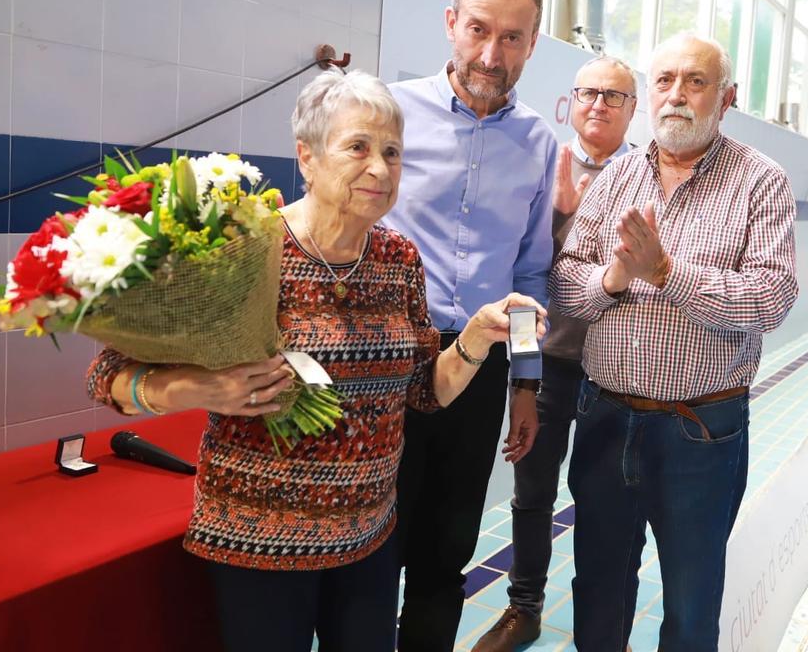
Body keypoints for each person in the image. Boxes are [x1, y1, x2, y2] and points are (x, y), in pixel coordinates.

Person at [85, 69, 546, 652]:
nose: (379, 168)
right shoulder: (248, 247)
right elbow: (108, 376)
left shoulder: (397, 257)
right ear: (306, 156)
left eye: (393, 152)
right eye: (358, 147)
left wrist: (478, 334)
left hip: (368, 537)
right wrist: (205, 390)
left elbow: (425, 392)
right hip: (261, 538)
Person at [550, 33, 799, 651]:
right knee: (601, 585)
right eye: (664, 80)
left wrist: (666, 274)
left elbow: (770, 300)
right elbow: (567, 285)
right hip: (605, 415)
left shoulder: (761, 182)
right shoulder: (615, 179)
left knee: (691, 600)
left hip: (700, 430)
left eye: (696, 81)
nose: (677, 96)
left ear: (727, 97)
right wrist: (615, 277)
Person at [380, 0, 558, 650]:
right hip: (388, 361)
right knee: (370, 542)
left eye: (512, 37)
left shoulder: (539, 141)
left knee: (445, 548)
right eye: (479, 29)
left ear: (533, 43)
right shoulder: (392, 113)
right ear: (452, 23)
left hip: (480, 368)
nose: (492, 54)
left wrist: (523, 381)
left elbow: (531, 273)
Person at [474, 56, 638, 651]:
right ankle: (525, 607)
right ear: (571, 101)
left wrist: (570, 222)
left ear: (631, 109)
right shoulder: (543, 165)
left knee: (606, 500)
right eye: (589, 92)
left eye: (614, 96)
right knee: (533, 492)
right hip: (544, 363)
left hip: (612, 372)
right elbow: (524, 270)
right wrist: (522, 368)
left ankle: (600, 624)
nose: (599, 104)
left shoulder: (648, 178)